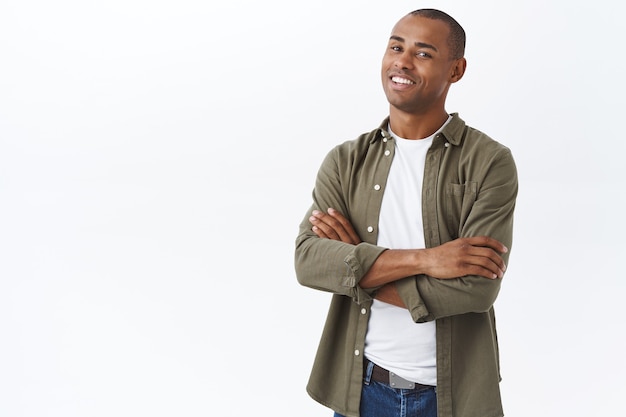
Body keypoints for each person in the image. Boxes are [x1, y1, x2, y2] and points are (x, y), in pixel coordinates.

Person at [294, 8, 518, 417]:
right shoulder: (345, 162)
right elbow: (308, 262)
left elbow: (477, 288)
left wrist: (355, 267)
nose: (402, 60)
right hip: (360, 391)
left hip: (453, 396)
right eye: (396, 46)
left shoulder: (489, 162)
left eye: (423, 53)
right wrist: (428, 260)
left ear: (456, 69)